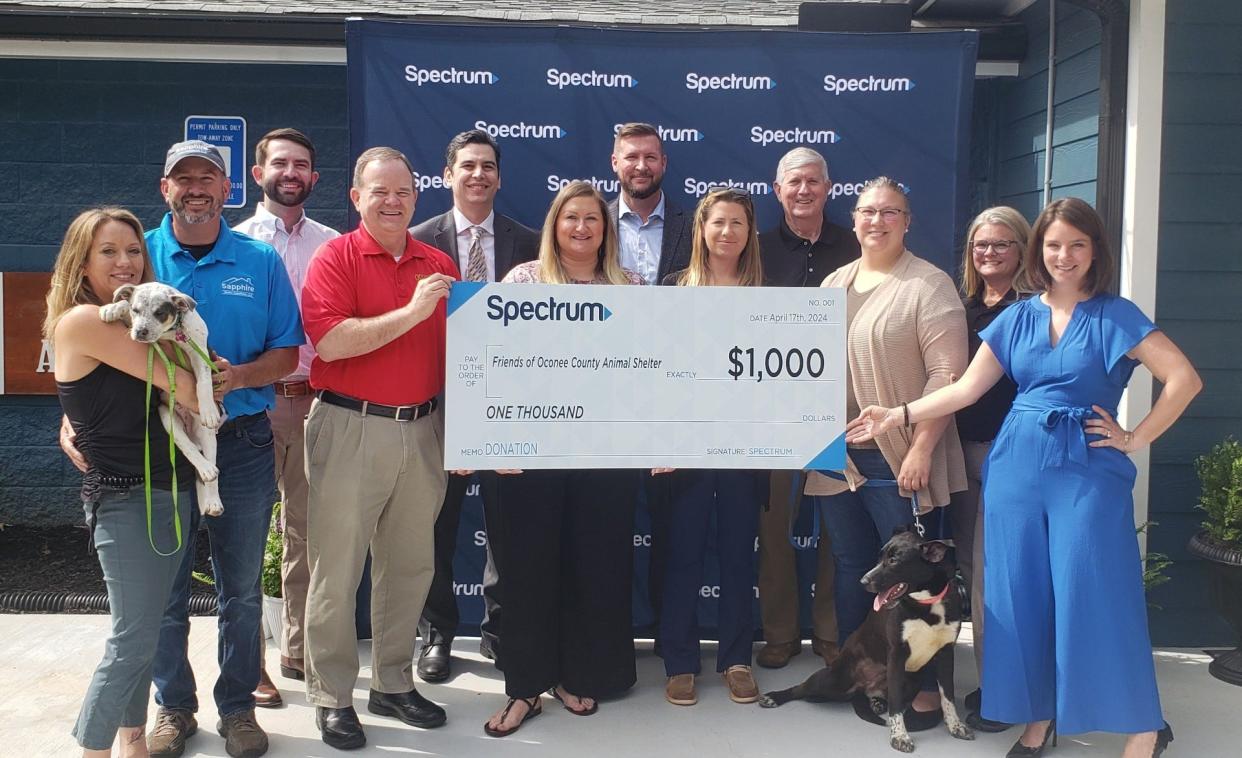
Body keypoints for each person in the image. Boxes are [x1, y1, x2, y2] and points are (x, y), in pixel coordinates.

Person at [847, 197, 1199, 757]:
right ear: (1039, 251)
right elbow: (964, 390)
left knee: (1096, 594)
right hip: (1015, 468)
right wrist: (899, 414)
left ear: (1094, 251)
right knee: (1019, 597)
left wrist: (1136, 437)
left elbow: (1183, 378)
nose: (1064, 255)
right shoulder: (1018, 316)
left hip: (1087, 471)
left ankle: (1144, 725)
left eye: (1076, 244)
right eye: (1054, 245)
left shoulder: (1117, 314)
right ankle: (1039, 718)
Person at [141, 140, 302, 758]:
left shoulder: (259, 260)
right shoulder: (141, 252)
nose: (196, 188)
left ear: (228, 188)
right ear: (166, 189)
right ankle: (173, 708)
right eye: (184, 178)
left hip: (241, 442)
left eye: (208, 177)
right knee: (166, 587)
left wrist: (239, 378)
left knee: (239, 588)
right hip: (160, 446)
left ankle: (237, 708)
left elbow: (287, 354)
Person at [299, 146, 458, 751]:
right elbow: (333, 343)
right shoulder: (334, 256)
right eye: (380, 192)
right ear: (356, 197)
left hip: (422, 429)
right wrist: (413, 309)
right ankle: (332, 696)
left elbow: (459, 357)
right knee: (338, 570)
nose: (393, 202)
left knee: (411, 564)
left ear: (416, 198)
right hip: (350, 426)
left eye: (403, 193)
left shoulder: (437, 261)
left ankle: (393, 681)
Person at [483, 181, 642, 738]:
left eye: (592, 220)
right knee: (528, 571)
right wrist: (492, 439)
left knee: (593, 566)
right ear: (554, 225)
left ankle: (576, 674)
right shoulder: (522, 282)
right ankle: (525, 686)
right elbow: (495, 367)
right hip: (531, 455)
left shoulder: (631, 287)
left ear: (606, 230)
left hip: (606, 459)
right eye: (570, 218)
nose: (581, 228)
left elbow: (651, 376)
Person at [809, 175, 967, 723]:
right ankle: (867, 676)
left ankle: (918, 690)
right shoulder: (833, 282)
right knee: (856, 566)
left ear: (907, 221)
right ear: (852, 219)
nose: (877, 221)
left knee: (911, 580)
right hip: (837, 459)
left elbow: (947, 377)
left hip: (898, 458)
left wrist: (922, 447)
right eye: (867, 211)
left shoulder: (929, 285)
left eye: (890, 212)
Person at [48, 208, 199, 758]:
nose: (124, 261)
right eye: (108, 252)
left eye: (133, 250)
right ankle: (93, 749)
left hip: (171, 490)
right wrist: (197, 368)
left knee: (146, 630)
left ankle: (132, 741)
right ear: (82, 263)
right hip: (127, 498)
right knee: (132, 637)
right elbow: (187, 384)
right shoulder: (86, 321)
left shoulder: (128, 320)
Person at [410, 128, 539, 681]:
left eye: (488, 166)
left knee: (509, 524)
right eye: (467, 166)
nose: (478, 175)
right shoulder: (416, 240)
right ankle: (436, 634)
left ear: (500, 176)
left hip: (510, 407)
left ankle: (501, 632)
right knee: (436, 524)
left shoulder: (529, 241)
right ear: (447, 175)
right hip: (434, 403)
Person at [234, 127, 340, 706]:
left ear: (314, 178)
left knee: (306, 529)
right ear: (258, 174)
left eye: (302, 164)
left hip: (320, 399)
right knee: (247, 532)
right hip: (255, 401)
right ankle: (247, 662)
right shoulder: (236, 243)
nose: (291, 173)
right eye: (280, 164)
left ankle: (296, 646)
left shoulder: (334, 243)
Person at [654, 188, 766, 708]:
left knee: (740, 556)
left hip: (745, 451)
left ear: (750, 233)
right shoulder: (674, 289)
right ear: (701, 229)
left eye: (737, 224)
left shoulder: (769, 294)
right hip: (687, 448)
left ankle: (736, 660)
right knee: (682, 555)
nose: (727, 232)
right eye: (718, 222)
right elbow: (655, 372)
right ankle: (679, 661)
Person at [755, 147, 860, 670]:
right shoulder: (756, 249)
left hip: (841, 408)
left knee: (837, 526)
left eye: (813, 182)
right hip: (772, 412)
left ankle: (831, 631)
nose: (804, 191)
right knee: (774, 528)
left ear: (829, 188)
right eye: (794, 182)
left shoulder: (858, 245)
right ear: (778, 190)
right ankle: (777, 632)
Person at [606, 122, 693, 646]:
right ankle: (612, 634)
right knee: (606, 524)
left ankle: (668, 635)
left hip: (671, 398)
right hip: (604, 398)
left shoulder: (692, 226)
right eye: (631, 157)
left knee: (671, 527)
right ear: (614, 164)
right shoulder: (589, 225)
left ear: (664, 164)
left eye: (651, 157)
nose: (641, 166)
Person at [949, 206, 1032, 733]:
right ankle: (991, 682)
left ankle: (1003, 691)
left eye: (1001, 244)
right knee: (971, 573)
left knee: (996, 582)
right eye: (981, 244)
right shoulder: (960, 310)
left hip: (1013, 459)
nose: (989, 253)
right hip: (961, 456)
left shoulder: (1034, 311)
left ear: (1022, 250)